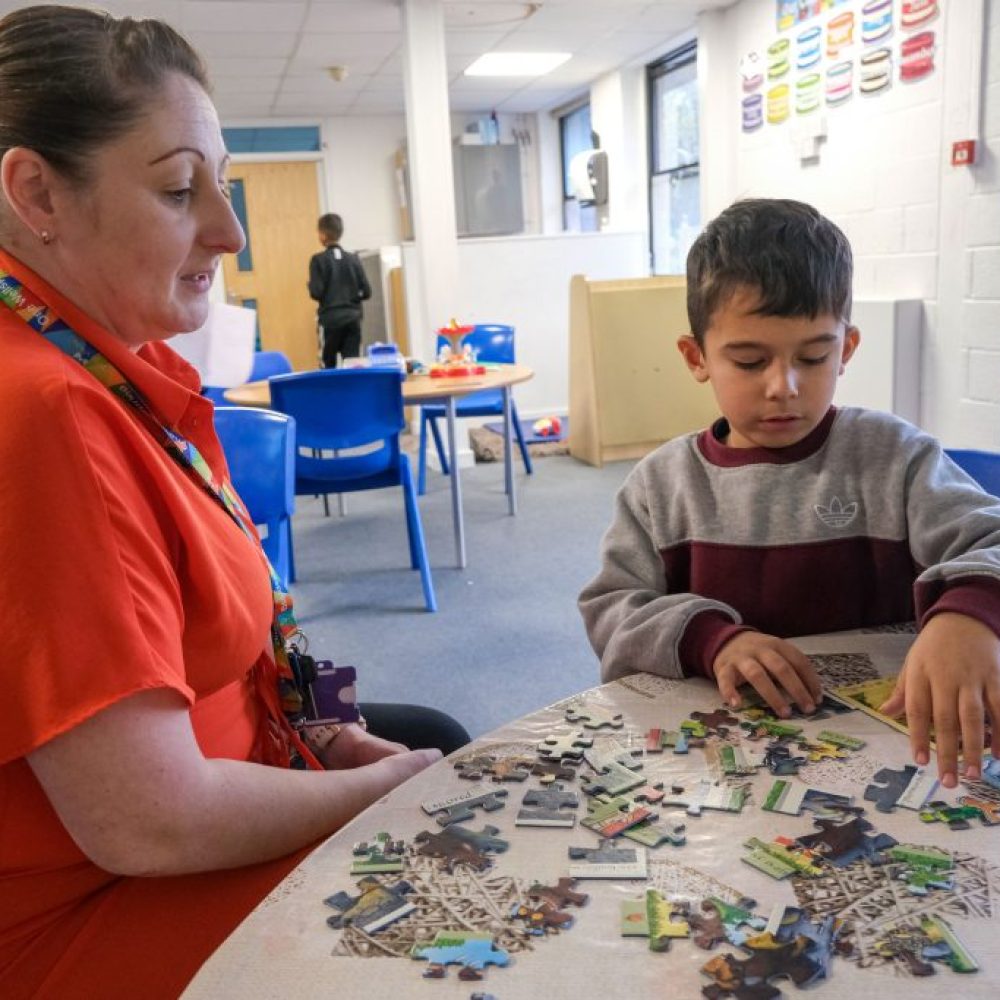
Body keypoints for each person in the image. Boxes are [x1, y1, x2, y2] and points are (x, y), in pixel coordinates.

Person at [0, 8, 467, 998]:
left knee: (443, 743)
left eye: (219, 179)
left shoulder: (115, 365)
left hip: (219, 778)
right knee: (454, 888)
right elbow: (146, 820)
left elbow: (262, 624)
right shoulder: (45, 411)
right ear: (37, 191)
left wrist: (330, 729)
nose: (229, 229)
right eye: (179, 189)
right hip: (97, 904)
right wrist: (363, 792)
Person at [579, 198, 1000, 793]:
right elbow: (613, 608)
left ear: (847, 349)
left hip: (897, 753)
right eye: (749, 361)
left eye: (814, 356)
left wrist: (968, 615)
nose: (784, 387)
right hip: (730, 764)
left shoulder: (894, 456)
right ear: (696, 357)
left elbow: (992, 538)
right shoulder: (661, 484)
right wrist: (712, 640)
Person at [308, 212, 371, 368]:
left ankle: (329, 392)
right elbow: (367, 291)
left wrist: (310, 285)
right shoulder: (353, 259)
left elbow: (316, 292)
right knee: (352, 365)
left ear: (322, 235)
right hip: (352, 320)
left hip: (330, 321)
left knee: (327, 365)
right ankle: (353, 392)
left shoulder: (318, 260)